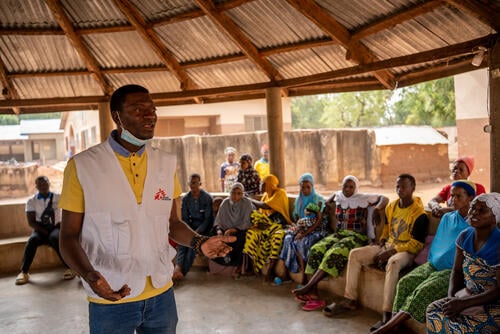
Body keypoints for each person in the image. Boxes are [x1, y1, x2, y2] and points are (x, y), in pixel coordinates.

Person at [58, 84, 235, 334]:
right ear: (117, 116)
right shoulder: (83, 167)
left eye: (152, 109)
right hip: (111, 296)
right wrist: (90, 276)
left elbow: (172, 223)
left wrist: (199, 243)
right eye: (138, 109)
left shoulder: (165, 162)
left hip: (161, 294)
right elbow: (67, 236)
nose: (149, 115)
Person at [324, 174, 428, 331]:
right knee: (355, 254)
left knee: (393, 263)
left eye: (404, 186)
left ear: (413, 188)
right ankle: (350, 299)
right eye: (397, 186)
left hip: (406, 251)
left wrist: (391, 251)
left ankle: (387, 314)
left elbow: (416, 245)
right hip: (387, 245)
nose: (400, 190)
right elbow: (386, 230)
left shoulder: (419, 214)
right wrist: (382, 241)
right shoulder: (392, 206)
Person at [372, 180, 476, 334]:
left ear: (470, 198)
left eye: (458, 196)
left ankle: (387, 328)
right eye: (451, 196)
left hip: (453, 271)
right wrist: (431, 263)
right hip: (434, 264)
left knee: (424, 291)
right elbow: (439, 243)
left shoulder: (475, 224)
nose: (453, 200)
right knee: (405, 282)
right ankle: (396, 326)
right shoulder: (447, 218)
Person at [292, 175, 388, 311]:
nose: (347, 189)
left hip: (356, 237)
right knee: (316, 248)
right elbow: (330, 199)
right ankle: (313, 293)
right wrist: (326, 203)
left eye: (351, 187)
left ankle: (308, 287)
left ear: (356, 188)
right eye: (345, 186)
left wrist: (378, 208)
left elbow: (384, 198)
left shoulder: (363, 198)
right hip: (339, 234)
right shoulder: (339, 197)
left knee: (334, 253)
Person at [426, 192, 500, 333]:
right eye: (473, 208)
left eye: (482, 210)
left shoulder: (498, 244)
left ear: (494, 217)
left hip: (492, 302)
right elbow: (457, 271)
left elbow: (499, 289)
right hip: (467, 295)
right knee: (433, 311)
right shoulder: (464, 236)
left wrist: (463, 303)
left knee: (468, 328)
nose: (474, 213)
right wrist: (452, 299)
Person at [15, 176, 75, 285]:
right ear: (36, 186)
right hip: (39, 229)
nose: (43, 186)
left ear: (49, 184)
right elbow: (31, 222)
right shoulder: (31, 201)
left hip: (56, 227)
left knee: (56, 238)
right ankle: (24, 272)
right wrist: (45, 231)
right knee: (32, 241)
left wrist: (62, 228)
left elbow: (68, 214)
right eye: (40, 184)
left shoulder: (58, 197)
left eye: (45, 183)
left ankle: (70, 268)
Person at [276, 173, 327, 285]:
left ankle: (304, 277)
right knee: (288, 238)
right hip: (302, 228)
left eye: (308, 187)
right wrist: (299, 230)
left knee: (301, 241)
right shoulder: (298, 200)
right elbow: (298, 218)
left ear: (312, 186)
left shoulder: (318, 199)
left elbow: (318, 221)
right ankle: (285, 274)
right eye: (303, 187)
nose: (305, 190)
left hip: (315, 230)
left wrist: (303, 234)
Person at [244, 174, 292, 281]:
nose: (261, 185)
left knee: (277, 237)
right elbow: (262, 213)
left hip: (280, 225)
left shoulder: (280, 193)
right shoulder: (266, 195)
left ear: (270, 184)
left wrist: (249, 199)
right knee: (251, 233)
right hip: (268, 225)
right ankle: (252, 268)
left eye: (263, 183)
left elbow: (265, 206)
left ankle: (270, 271)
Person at [173, 173, 214, 281]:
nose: (193, 185)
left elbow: (208, 219)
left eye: (195, 182)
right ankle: (178, 268)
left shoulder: (207, 198)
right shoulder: (186, 199)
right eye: (191, 182)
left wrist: (196, 233)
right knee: (182, 243)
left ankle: (182, 272)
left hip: (204, 229)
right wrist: (189, 231)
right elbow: (185, 219)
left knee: (193, 244)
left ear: (200, 183)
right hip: (190, 226)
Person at [211, 183, 254, 278]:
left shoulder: (246, 203)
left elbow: (247, 222)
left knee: (239, 238)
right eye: (233, 193)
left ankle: (236, 267)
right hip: (224, 230)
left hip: (240, 229)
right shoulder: (225, 203)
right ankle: (223, 262)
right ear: (230, 193)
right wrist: (219, 231)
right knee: (213, 235)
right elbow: (219, 221)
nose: (235, 196)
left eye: (239, 193)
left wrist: (233, 229)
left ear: (242, 194)